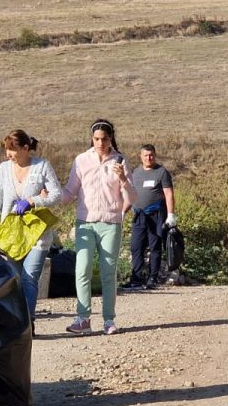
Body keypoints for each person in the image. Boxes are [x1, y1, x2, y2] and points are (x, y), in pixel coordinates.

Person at [0, 129, 63, 320]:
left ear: (25, 148)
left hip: (36, 235)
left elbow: (56, 194)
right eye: (6, 150)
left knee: (29, 278)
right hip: (10, 236)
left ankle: (28, 323)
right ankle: (14, 323)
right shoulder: (4, 169)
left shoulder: (42, 166)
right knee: (13, 280)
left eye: (12, 150)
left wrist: (32, 201)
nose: (8, 154)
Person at [59, 119, 135, 335]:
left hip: (111, 223)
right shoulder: (81, 160)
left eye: (104, 138)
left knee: (108, 273)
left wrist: (123, 179)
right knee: (81, 270)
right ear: (91, 139)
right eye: (97, 139)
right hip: (85, 222)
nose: (100, 143)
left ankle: (109, 320)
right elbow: (70, 192)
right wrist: (49, 197)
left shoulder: (120, 161)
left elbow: (132, 196)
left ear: (111, 138)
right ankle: (83, 318)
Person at [123, 144, 176, 290]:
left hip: (156, 215)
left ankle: (153, 278)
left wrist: (171, 215)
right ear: (141, 157)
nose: (149, 158)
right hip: (139, 215)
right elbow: (130, 195)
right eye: (146, 155)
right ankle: (136, 279)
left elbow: (169, 194)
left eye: (151, 155)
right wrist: (123, 212)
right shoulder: (136, 173)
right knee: (136, 247)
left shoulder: (161, 172)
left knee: (155, 246)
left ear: (155, 155)